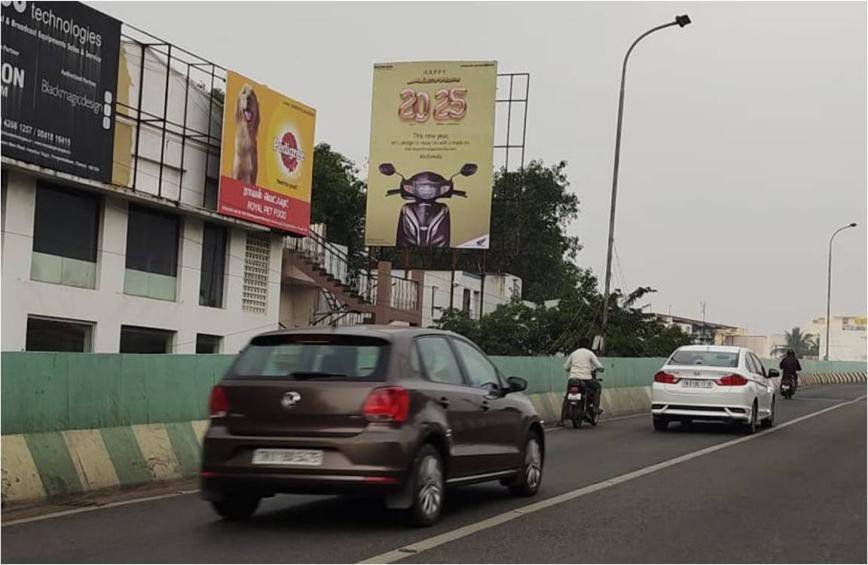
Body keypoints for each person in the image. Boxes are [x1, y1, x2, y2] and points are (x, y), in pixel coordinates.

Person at [561, 341, 604, 424]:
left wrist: (570, 369)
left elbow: (566, 367)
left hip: (573, 378)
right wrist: (601, 368)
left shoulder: (573, 353)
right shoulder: (589, 353)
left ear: (578, 345)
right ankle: (595, 407)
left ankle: (562, 420)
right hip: (586, 378)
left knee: (567, 397)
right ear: (588, 345)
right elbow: (598, 366)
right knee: (598, 387)